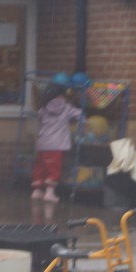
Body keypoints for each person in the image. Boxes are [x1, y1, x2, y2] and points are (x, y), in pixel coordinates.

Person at [32, 75, 84, 203]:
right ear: (62, 95)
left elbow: (39, 117)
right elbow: (80, 115)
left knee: (41, 166)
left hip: (43, 143)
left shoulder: (43, 109)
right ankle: (49, 193)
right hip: (57, 145)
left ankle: (36, 191)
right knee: (53, 168)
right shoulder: (66, 108)